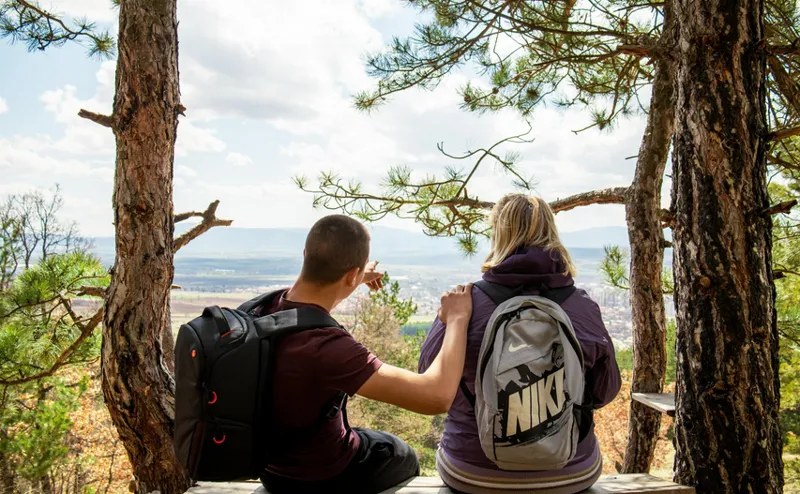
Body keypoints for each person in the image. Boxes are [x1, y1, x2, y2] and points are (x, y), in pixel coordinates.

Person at [254, 214, 474, 494]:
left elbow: (309, 304)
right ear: (350, 274)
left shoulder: (262, 309)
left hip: (269, 469)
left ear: (306, 254)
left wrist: (354, 278)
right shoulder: (328, 348)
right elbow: (436, 397)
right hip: (319, 476)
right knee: (402, 454)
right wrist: (457, 319)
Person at [419, 194, 622, 494]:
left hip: (473, 473)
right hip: (570, 473)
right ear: (552, 233)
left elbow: (430, 376)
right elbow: (606, 391)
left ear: (498, 234)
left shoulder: (464, 303)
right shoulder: (582, 307)